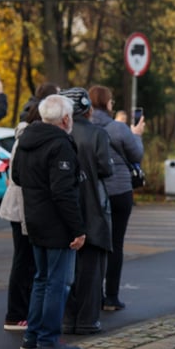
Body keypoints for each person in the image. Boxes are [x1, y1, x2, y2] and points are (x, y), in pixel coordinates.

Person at [12, 94, 86, 349]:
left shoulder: (26, 140)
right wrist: (78, 229)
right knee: (57, 282)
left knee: (41, 279)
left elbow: (17, 176)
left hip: (33, 219)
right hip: (57, 225)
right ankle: (48, 339)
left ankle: (32, 336)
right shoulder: (60, 144)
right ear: (65, 118)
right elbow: (63, 192)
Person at [0, 83, 60, 331]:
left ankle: (19, 312)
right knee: (23, 261)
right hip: (20, 205)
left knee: (26, 261)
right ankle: (15, 314)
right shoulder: (27, 138)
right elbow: (19, 174)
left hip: (21, 204)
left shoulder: (24, 135)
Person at [60, 88, 114, 335]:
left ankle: (66, 319)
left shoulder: (60, 134)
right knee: (92, 271)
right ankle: (86, 320)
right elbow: (106, 168)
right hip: (93, 206)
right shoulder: (97, 134)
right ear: (88, 108)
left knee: (66, 271)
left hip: (65, 208)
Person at [89, 85, 144, 311]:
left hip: (93, 192)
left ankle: (94, 294)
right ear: (106, 103)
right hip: (120, 190)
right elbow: (136, 155)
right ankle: (112, 297)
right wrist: (137, 136)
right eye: (111, 101)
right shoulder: (118, 128)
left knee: (94, 244)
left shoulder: (82, 127)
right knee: (116, 244)